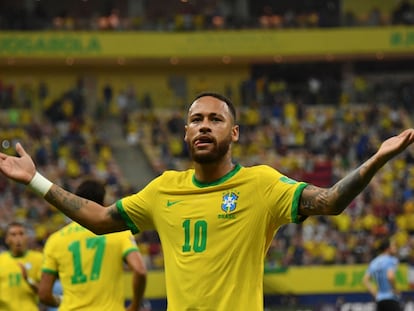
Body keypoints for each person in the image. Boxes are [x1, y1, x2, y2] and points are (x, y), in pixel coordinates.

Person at [1, 92, 414, 310]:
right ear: (185, 133)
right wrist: (35, 180)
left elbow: (329, 201)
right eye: (196, 119)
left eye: (216, 119)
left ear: (233, 133)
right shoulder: (164, 189)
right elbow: (100, 218)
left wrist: (375, 160)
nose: (204, 126)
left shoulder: (261, 184)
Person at [37, 178, 147, 310]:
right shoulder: (118, 232)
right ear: (104, 202)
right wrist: (135, 306)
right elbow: (140, 270)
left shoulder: (55, 240)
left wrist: (62, 301)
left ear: (74, 202)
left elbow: (43, 294)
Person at [0, 221, 43, 310]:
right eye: (13, 235)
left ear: (27, 237)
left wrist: (28, 280)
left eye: (21, 234)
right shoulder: (1, 261)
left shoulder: (39, 259)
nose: (18, 238)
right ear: (7, 239)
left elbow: (43, 292)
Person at [363, 238, 401, 311]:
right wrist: (395, 289)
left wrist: (375, 293)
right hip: (391, 298)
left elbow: (365, 281)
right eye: (393, 246)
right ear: (387, 248)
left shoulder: (374, 262)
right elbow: (390, 277)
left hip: (380, 300)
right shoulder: (391, 259)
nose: (395, 247)